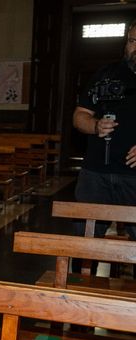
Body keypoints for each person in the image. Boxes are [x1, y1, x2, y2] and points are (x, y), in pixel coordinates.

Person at [72, 19, 136, 245]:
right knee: (85, 243)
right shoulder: (106, 74)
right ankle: (80, 279)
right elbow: (79, 116)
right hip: (95, 175)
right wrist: (95, 125)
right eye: (131, 41)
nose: (134, 47)